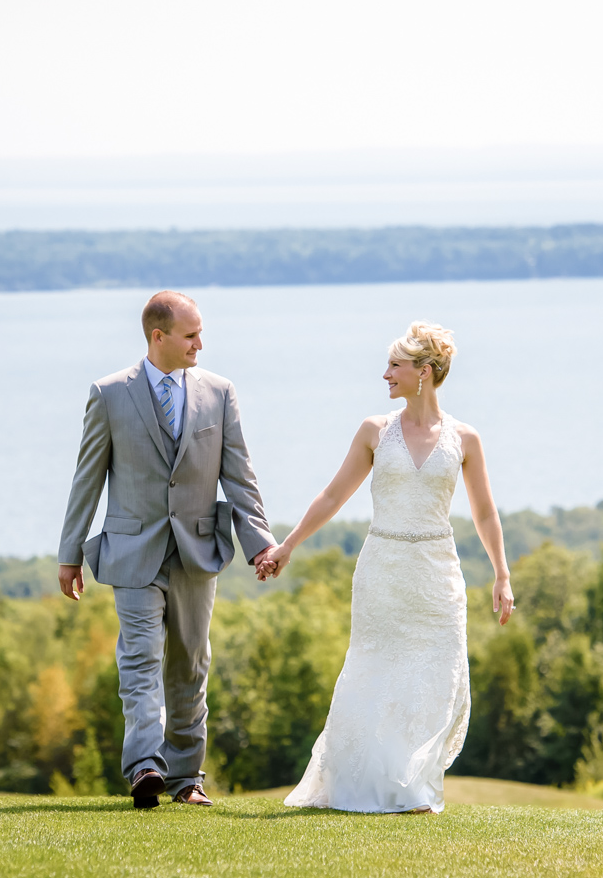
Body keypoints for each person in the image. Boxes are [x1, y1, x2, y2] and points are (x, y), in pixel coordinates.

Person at [259, 320, 514, 814]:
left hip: (438, 574)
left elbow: (485, 512)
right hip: (383, 570)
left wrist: (502, 574)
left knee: (436, 674)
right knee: (374, 671)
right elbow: (333, 495)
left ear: (423, 372)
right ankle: (362, 786)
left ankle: (413, 785)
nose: (385, 375)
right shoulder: (374, 431)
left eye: (394, 365)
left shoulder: (466, 438)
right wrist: (288, 545)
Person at [56, 290, 278, 808]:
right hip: (133, 551)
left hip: (197, 551)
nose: (201, 342)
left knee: (190, 667)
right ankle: (145, 769)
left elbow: (239, 477)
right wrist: (69, 553)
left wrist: (260, 544)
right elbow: (87, 476)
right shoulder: (109, 394)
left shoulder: (219, 393)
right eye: (191, 334)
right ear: (159, 337)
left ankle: (186, 779)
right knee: (139, 661)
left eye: (200, 332)